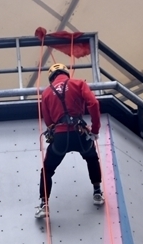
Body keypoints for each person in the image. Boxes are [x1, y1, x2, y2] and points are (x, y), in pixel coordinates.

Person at [35, 62, 103, 218]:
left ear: (51, 78)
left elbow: (48, 121)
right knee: (91, 157)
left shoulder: (46, 93)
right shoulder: (78, 83)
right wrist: (95, 130)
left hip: (60, 137)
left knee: (47, 170)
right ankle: (97, 192)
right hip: (80, 133)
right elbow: (93, 103)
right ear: (66, 73)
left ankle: (44, 205)